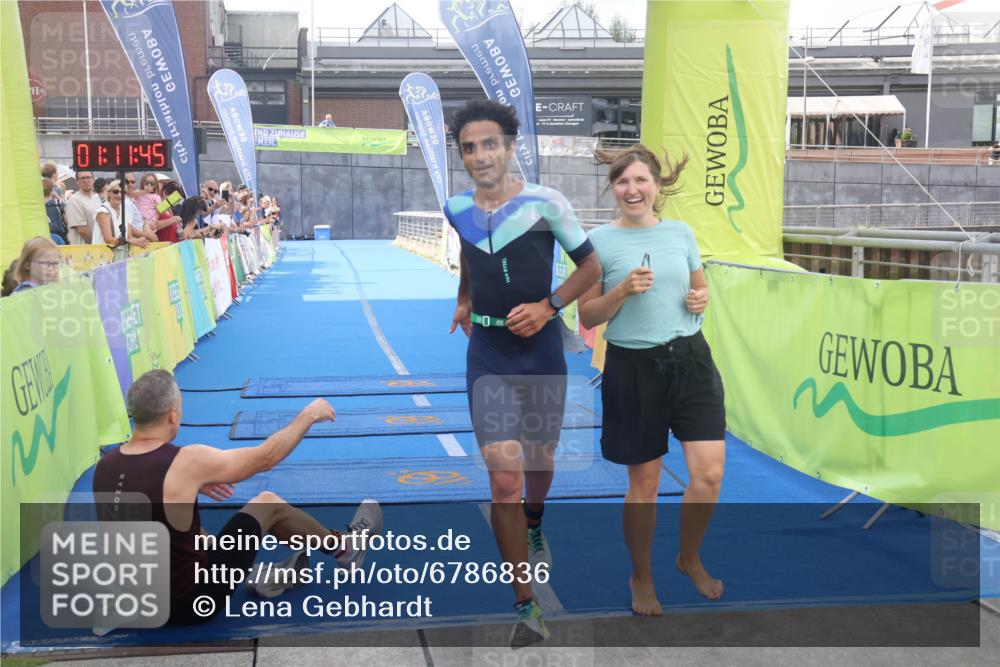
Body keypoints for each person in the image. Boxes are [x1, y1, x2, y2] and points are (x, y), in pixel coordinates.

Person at [443, 99, 601, 648]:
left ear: (510, 148)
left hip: (539, 355)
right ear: (460, 154)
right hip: (486, 353)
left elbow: (591, 266)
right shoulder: (455, 205)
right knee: (502, 479)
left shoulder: (546, 202)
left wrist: (550, 307)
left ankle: (536, 520)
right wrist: (464, 298)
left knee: (540, 458)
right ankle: (525, 605)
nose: (480, 155)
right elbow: (468, 254)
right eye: (469, 147)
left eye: (490, 144)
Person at [93, 370, 383, 625]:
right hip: (190, 606)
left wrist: (190, 485)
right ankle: (345, 549)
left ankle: (258, 574)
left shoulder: (104, 467)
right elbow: (265, 458)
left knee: (186, 532)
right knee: (266, 503)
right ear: (173, 413)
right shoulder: (186, 461)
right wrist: (308, 416)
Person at [578, 145, 726, 616]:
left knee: (709, 473)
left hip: (691, 362)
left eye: (641, 181)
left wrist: (701, 299)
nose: (632, 189)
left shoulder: (681, 233)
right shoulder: (596, 242)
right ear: (613, 189)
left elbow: (699, 287)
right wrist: (621, 290)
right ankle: (641, 577)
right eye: (623, 182)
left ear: (657, 187)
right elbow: (587, 314)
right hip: (633, 368)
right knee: (643, 485)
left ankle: (689, 557)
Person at [64, 170, 100, 244]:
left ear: (93, 179)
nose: (86, 180)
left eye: (88, 177)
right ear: (77, 181)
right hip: (83, 249)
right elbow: (81, 229)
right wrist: (96, 243)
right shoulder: (74, 200)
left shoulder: (97, 199)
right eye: (82, 178)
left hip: (98, 247)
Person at [43, 177, 69, 244]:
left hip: (43, 236)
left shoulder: (38, 205)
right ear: (52, 189)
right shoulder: (58, 203)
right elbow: (67, 221)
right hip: (60, 235)